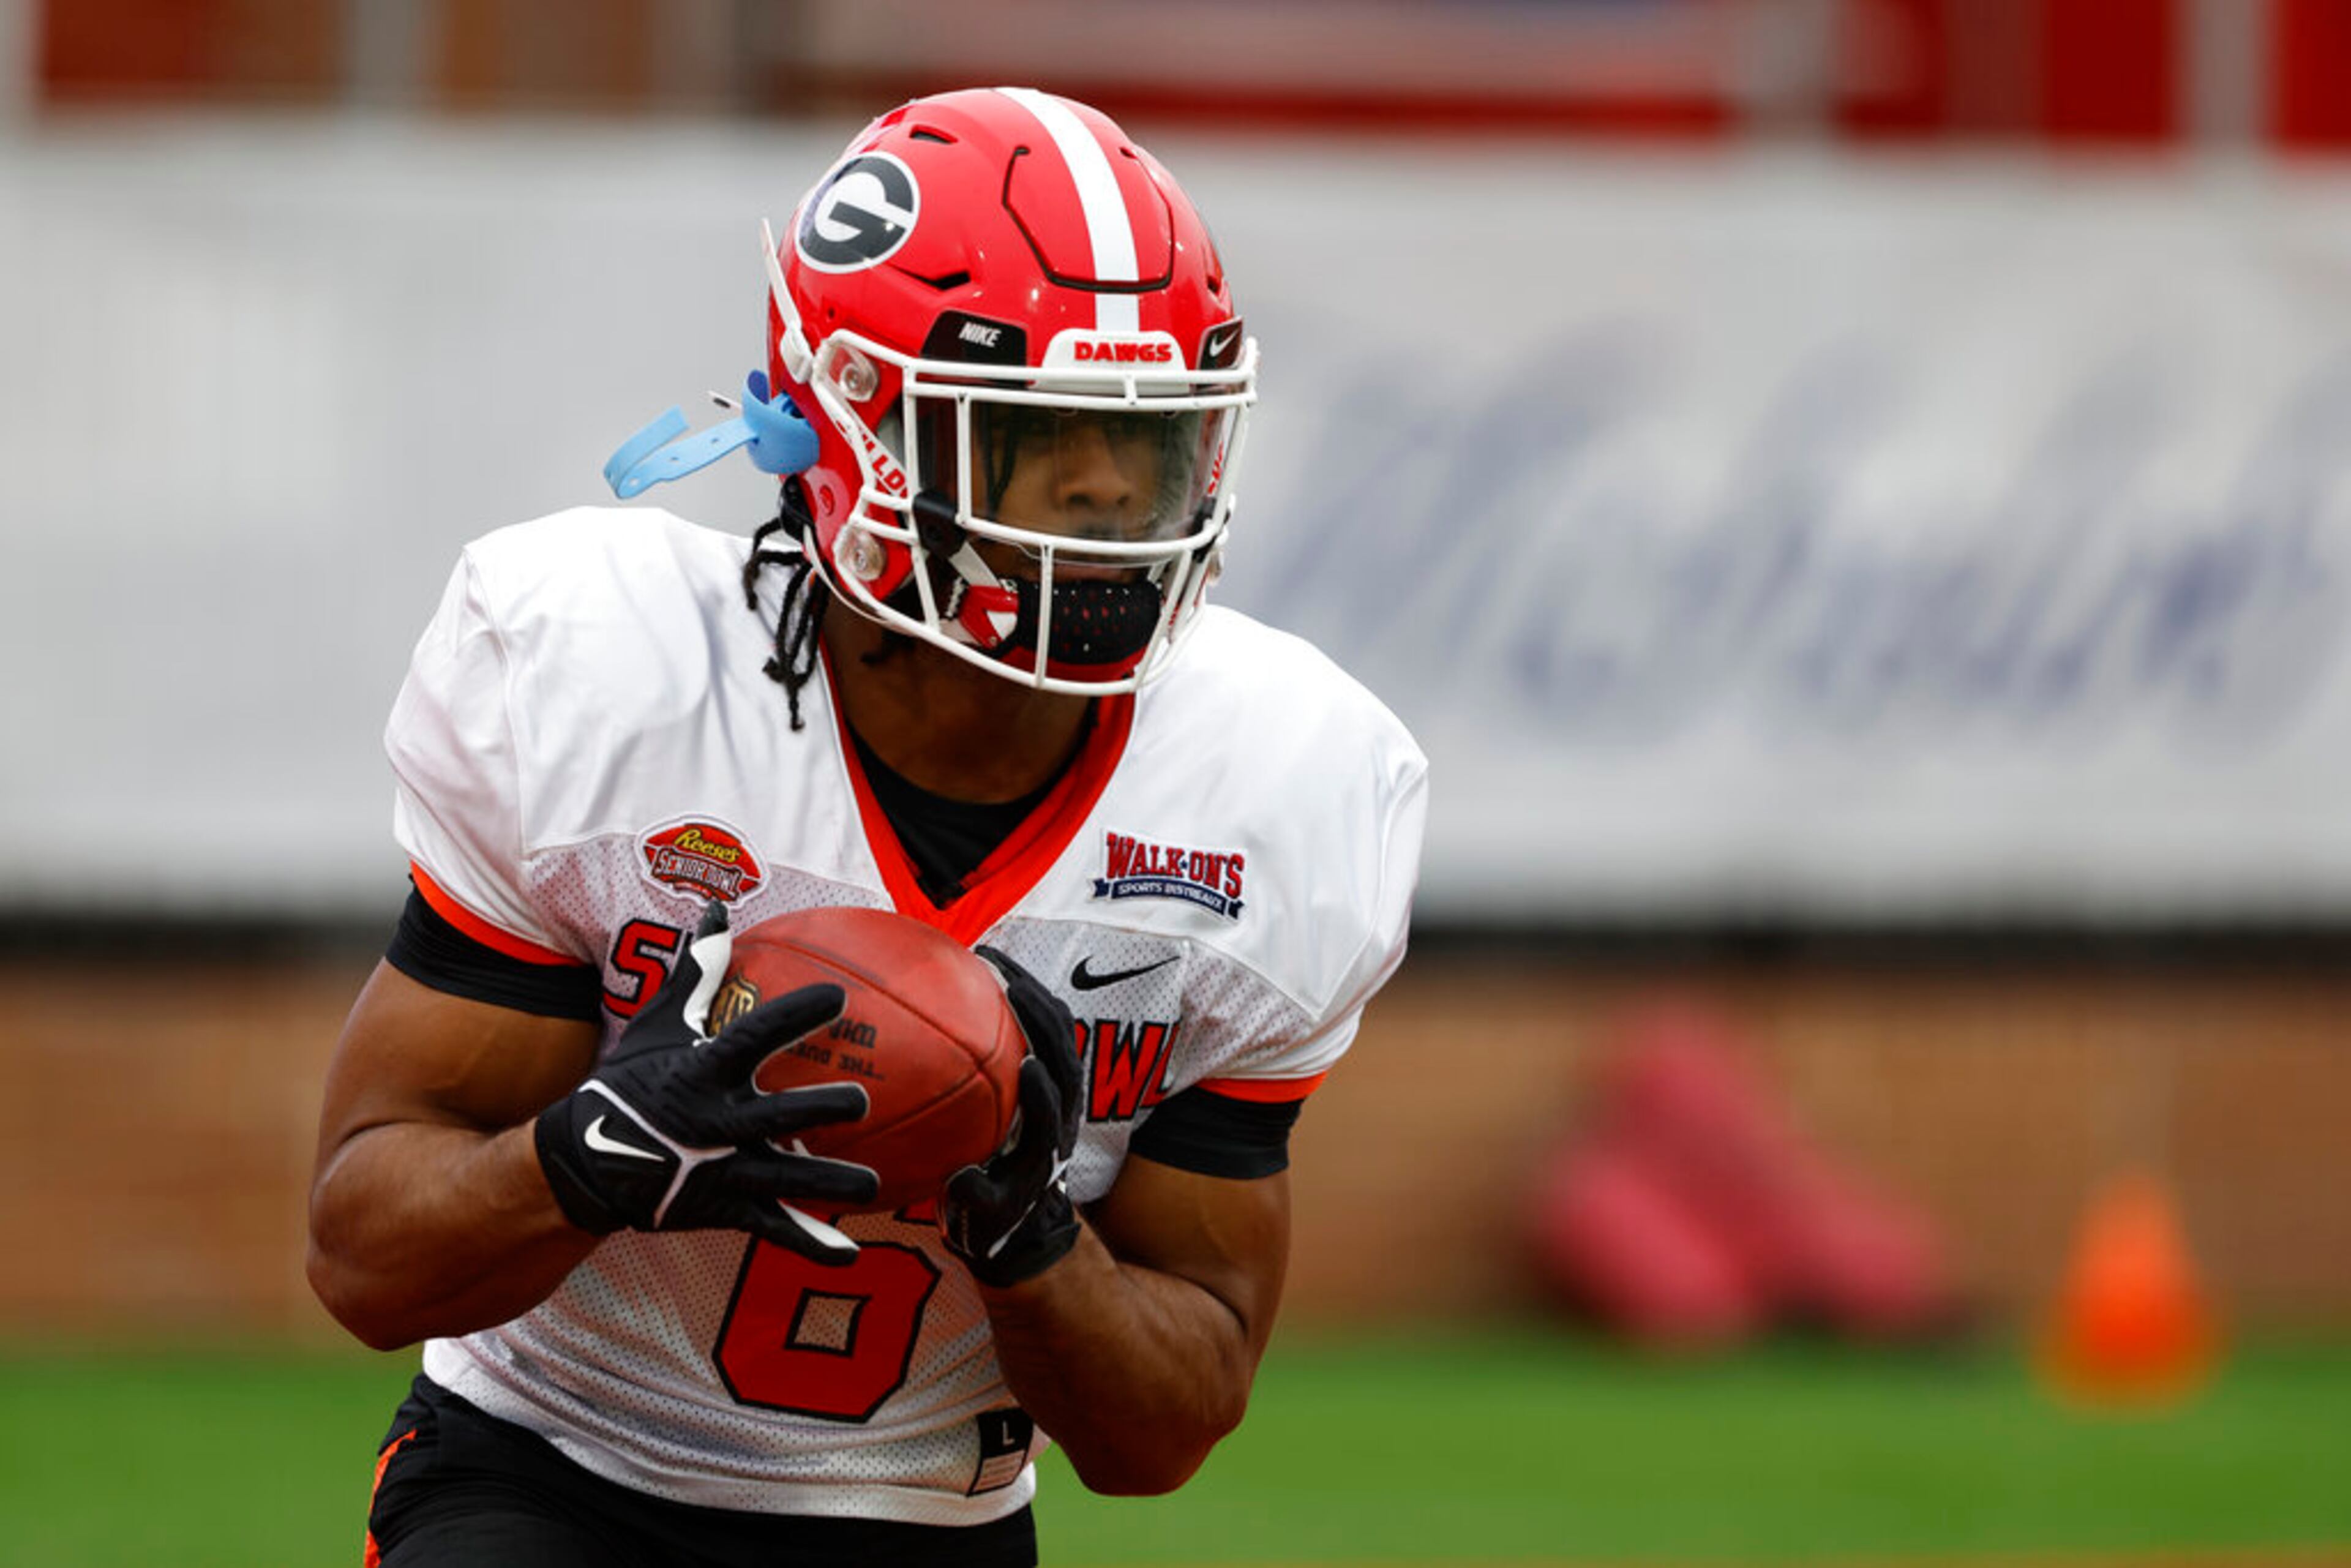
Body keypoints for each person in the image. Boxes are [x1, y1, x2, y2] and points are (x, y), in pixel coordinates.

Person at [307, 86, 1427, 1568]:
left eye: (1144, 448)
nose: (1104, 504)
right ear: (851, 429)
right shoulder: (614, 681)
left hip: (929, 1519)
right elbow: (362, 1257)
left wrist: (1034, 1239)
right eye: (1037, 439)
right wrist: (589, 1152)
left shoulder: (1285, 786)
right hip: (552, 1468)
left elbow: (1161, 1439)